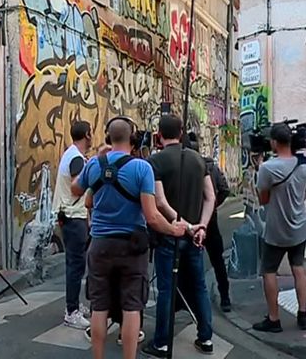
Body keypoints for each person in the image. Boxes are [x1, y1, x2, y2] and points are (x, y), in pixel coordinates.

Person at [72, 116, 187, 359]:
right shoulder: (141, 168)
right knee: (132, 305)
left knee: (99, 306)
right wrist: (173, 229)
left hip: (100, 245)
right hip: (132, 246)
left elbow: (77, 190)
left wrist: (97, 165)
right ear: (133, 139)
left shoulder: (94, 165)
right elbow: (152, 216)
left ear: (107, 137)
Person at [142, 115, 216, 357]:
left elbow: (161, 202)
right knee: (199, 287)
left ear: (159, 134)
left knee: (166, 289)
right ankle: (206, 338)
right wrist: (201, 226)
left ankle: (161, 342)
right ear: (182, 131)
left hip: (169, 235)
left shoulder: (156, 161)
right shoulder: (199, 160)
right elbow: (211, 197)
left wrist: (183, 224)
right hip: (195, 236)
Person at [253, 122, 306, 333]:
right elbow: (302, 195)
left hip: (277, 228)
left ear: (274, 143)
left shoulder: (268, 168)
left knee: (269, 271)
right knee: (299, 268)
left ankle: (274, 318)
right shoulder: (304, 166)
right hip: (300, 225)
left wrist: (259, 169)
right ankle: (303, 315)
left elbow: (263, 199)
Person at [52, 120, 93, 330]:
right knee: (76, 266)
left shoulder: (72, 154)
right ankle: (71, 312)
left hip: (71, 216)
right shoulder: (77, 158)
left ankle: (74, 305)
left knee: (76, 264)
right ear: (87, 134)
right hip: (73, 217)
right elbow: (77, 188)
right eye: (91, 133)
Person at [186, 132, 232, 312]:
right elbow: (224, 189)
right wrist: (212, 206)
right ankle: (225, 297)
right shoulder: (210, 166)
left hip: (191, 220)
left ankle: (190, 300)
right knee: (217, 260)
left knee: (188, 261)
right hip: (210, 221)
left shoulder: (187, 166)